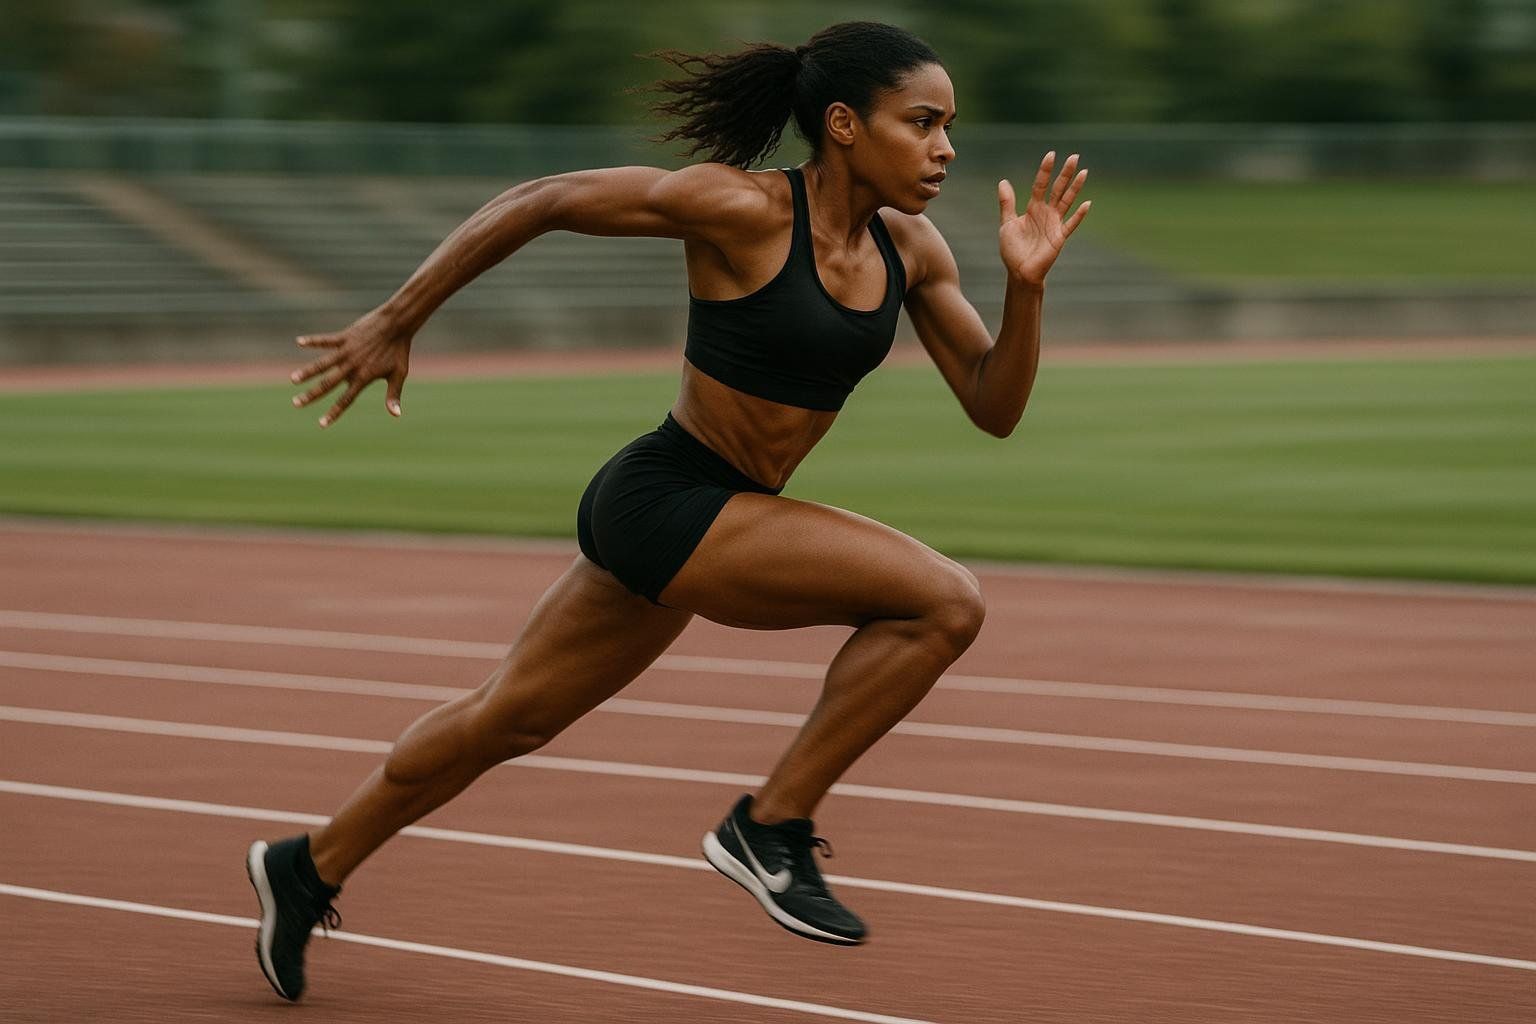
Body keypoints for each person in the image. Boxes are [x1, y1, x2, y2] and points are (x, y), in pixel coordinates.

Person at [246, 20, 1089, 1001]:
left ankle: (305, 866)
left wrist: (1026, 292)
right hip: (670, 495)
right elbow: (544, 199)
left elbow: (994, 405)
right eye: (924, 122)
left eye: (949, 126)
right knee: (943, 600)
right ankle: (769, 827)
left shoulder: (913, 249)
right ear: (847, 125)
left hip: (714, 515)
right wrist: (398, 317)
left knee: (503, 719)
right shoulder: (739, 209)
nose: (945, 147)